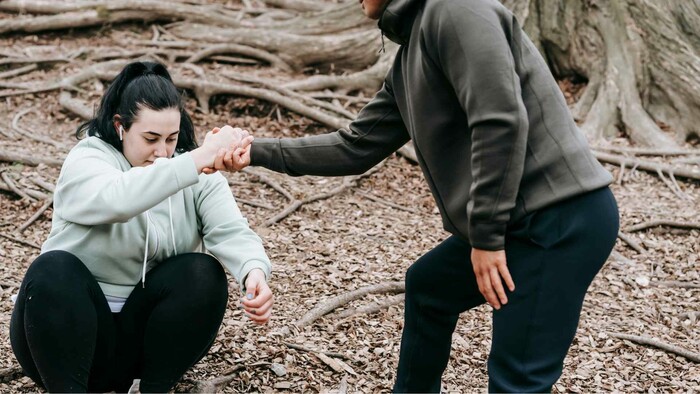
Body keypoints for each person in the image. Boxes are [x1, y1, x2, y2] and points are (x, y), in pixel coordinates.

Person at [213, 0, 620, 392]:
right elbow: (354, 146)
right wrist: (256, 151)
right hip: (517, 221)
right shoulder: (409, 58)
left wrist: (486, 237)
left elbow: (500, 120)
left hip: (558, 221)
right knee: (429, 288)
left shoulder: (458, 9)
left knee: (518, 379)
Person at [9, 61, 273, 393]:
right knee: (52, 267)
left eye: (171, 139)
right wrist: (196, 158)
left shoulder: (194, 169)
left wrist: (253, 272)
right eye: (150, 138)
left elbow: (231, 230)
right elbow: (117, 200)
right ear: (120, 126)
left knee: (202, 271)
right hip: (63, 338)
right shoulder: (88, 159)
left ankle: (152, 388)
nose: (162, 152)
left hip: (137, 341)